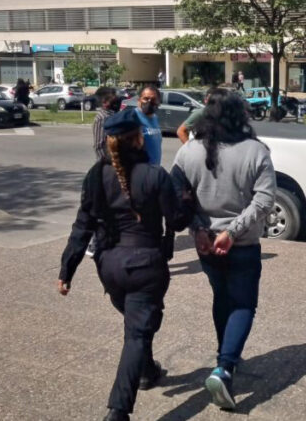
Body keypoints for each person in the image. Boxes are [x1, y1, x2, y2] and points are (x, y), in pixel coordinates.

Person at [57, 108, 193, 421]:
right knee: (137, 333)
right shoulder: (155, 175)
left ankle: (147, 370)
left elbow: (82, 226)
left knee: (138, 323)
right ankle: (118, 411)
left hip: (109, 268)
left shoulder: (95, 175)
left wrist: (67, 270)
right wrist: (187, 200)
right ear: (138, 139)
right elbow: (176, 220)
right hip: (146, 265)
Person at [172, 89, 276, 410]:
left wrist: (199, 230)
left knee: (222, 297)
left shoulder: (187, 151)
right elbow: (265, 199)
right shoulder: (256, 151)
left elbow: (178, 196)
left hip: (205, 245)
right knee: (243, 304)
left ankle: (225, 356)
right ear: (240, 116)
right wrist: (232, 232)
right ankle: (225, 367)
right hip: (242, 244)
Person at [135, 86, 163, 165]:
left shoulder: (155, 118)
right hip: (141, 169)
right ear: (139, 100)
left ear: (159, 102)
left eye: (153, 99)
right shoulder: (134, 118)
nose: (149, 102)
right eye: (146, 98)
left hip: (155, 168)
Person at [93, 86, 119, 162]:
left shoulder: (113, 113)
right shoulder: (101, 118)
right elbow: (99, 145)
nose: (115, 101)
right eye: (112, 99)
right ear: (104, 101)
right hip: (108, 161)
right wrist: (104, 163)